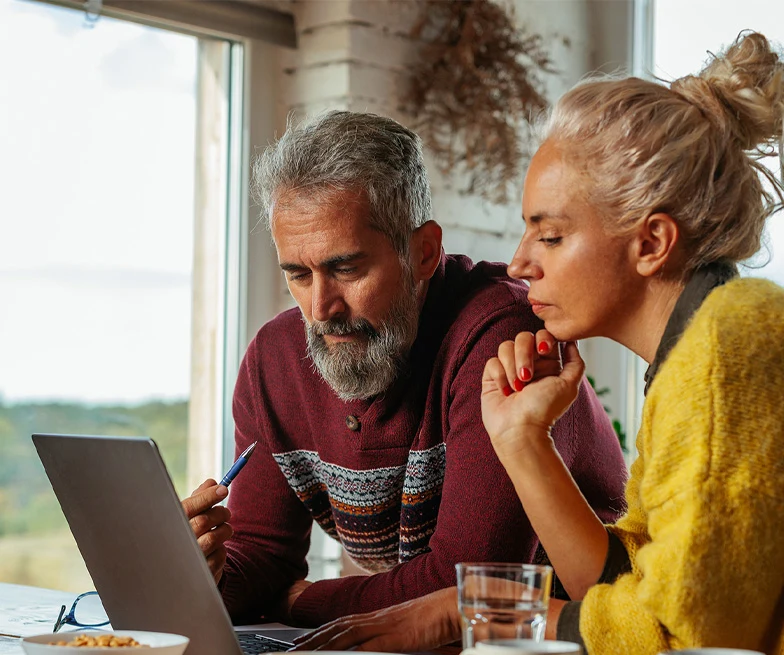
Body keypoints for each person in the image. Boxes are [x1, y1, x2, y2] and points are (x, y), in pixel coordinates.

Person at [296, 33, 784, 655]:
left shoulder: (730, 347)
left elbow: (678, 651)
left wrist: (467, 609)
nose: (522, 263)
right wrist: (522, 440)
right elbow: (620, 588)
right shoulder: (699, 350)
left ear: (651, 242)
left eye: (550, 235)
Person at [183, 111, 627, 628]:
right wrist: (208, 572)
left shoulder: (504, 339)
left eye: (346, 268)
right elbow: (261, 557)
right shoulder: (274, 360)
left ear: (423, 252)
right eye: (299, 275)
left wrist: (297, 603)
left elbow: (461, 588)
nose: (320, 307)